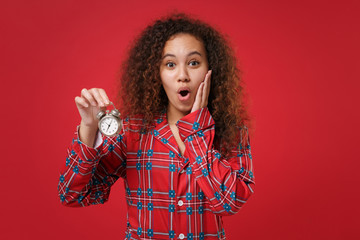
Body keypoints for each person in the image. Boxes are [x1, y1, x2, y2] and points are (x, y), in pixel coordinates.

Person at [58, 12, 255, 240]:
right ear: (157, 74)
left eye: (193, 63)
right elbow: (73, 195)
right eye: (170, 64)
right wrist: (89, 127)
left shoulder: (232, 130)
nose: (182, 75)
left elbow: (229, 203)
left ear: (211, 70)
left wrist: (196, 131)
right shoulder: (132, 132)